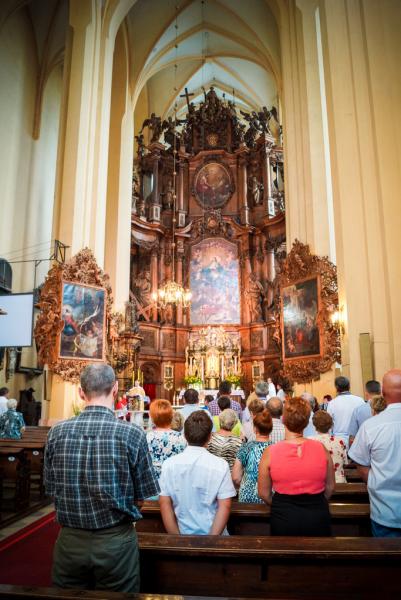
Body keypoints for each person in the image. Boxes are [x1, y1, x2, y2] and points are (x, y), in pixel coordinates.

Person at [44, 363, 159, 592]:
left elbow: (51, 488)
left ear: (81, 392)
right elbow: (142, 495)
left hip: (70, 540)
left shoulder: (56, 432)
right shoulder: (132, 434)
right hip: (115, 541)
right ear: (115, 389)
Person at [258, 397, 335, 536]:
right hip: (317, 515)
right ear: (306, 422)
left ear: (283, 419)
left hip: (283, 516)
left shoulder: (270, 452)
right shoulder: (321, 448)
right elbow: (330, 487)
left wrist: (280, 505)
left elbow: (263, 493)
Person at [159, 410, 236, 535]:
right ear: (210, 437)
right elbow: (225, 506)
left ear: (184, 435)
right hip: (213, 532)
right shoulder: (220, 465)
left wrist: (176, 539)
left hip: (181, 532)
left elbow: (164, 503)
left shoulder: (169, 464)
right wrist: (211, 540)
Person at [348, 369, 401, 537]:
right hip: (384, 512)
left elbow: (360, 462)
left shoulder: (371, 426)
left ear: (383, 393)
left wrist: (373, 480)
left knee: (387, 562)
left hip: (384, 511)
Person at [232, 409, 272, 503]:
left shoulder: (245, 447)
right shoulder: (276, 449)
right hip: (269, 497)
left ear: (254, 429)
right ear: (270, 429)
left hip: (247, 497)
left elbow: (236, 477)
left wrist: (247, 483)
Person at [146, 400, 186, 479]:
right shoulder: (181, 438)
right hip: (175, 481)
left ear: (152, 417)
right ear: (171, 416)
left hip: (153, 483)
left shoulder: (147, 437)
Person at [310, 410, 347, 483]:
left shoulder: (309, 441)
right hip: (338, 481)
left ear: (315, 425)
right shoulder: (340, 441)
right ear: (330, 425)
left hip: (318, 482)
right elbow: (345, 463)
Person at [327, 376, 364, 447]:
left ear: (336, 388)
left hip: (339, 441)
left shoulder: (332, 403)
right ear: (349, 386)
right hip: (357, 440)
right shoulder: (360, 400)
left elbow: (329, 424)